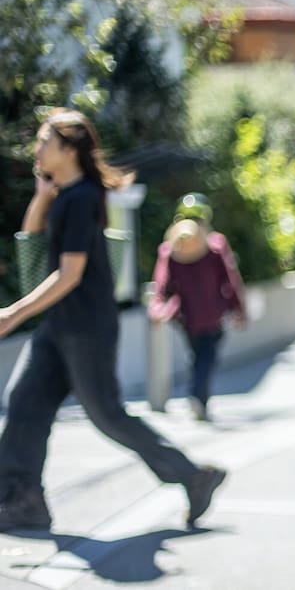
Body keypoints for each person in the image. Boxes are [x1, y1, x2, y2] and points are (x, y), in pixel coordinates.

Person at [0, 109, 226, 531]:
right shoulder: (65, 195)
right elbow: (30, 237)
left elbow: (71, 273)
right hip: (59, 326)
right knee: (25, 402)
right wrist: (42, 195)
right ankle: (22, 499)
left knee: (107, 414)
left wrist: (13, 313)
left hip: (86, 326)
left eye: (45, 141)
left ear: (68, 149)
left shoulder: (84, 197)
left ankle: (193, 476)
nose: (37, 148)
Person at [147, 194, 247, 421]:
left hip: (187, 317)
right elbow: (231, 280)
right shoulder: (215, 245)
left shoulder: (170, 249)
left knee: (197, 357)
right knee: (206, 358)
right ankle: (197, 397)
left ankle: (197, 397)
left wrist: (157, 309)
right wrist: (238, 309)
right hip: (212, 315)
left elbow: (161, 286)